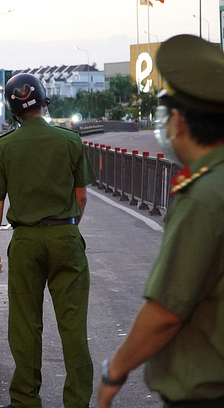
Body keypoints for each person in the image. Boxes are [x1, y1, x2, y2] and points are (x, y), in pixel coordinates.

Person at [97, 34, 224, 408]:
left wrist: (115, 371)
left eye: (164, 117)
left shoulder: (204, 196)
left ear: (180, 121)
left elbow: (166, 311)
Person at [0, 73, 96, 408]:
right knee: (73, 326)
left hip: (26, 241)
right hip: (66, 236)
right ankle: (77, 402)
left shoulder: (3, 147)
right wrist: (68, 227)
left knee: (25, 324)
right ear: (45, 102)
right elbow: (82, 197)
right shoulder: (69, 141)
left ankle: (26, 400)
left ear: (13, 111)